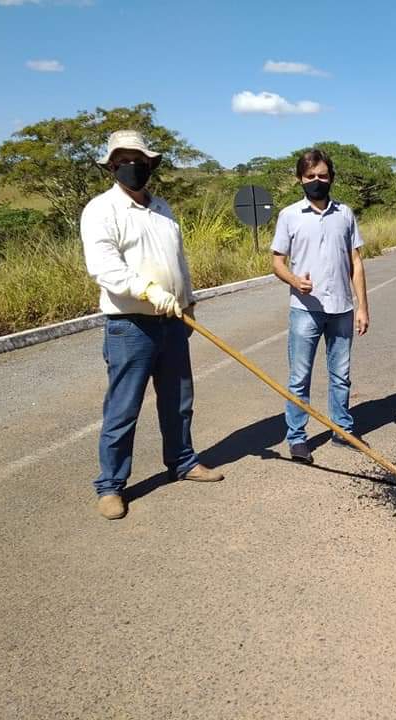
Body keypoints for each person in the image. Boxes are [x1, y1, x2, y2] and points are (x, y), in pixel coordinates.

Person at [80, 130, 223, 520]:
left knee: (179, 401)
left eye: (140, 160)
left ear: (150, 165)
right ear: (111, 166)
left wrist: (188, 300)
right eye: (125, 160)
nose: (134, 167)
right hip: (131, 325)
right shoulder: (101, 210)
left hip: (172, 321)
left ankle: (183, 461)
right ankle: (110, 486)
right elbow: (104, 267)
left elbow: (179, 261)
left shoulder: (162, 208)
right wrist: (146, 290)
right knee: (123, 409)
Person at [271, 148, 368, 463]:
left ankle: (342, 429)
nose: (317, 181)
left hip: (341, 308)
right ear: (301, 178)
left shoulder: (345, 214)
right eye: (310, 176)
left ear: (331, 178)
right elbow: (277, 262)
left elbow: (356, 262)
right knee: (300, 377)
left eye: (322, 175)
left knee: (341, 374)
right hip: (305, 309)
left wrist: (363, 306)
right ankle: (297, 437)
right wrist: (295, 280)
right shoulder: (289, 215)